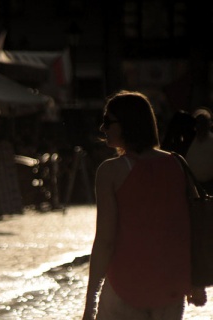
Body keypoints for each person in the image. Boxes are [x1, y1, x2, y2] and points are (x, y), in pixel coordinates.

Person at [82, 91, 207, 320]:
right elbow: (187, 229)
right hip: (171, 290)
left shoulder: (110, 171)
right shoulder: (178, 164)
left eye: (108, 121)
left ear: (128, 124)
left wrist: (90, 301)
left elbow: (106, 240)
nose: (103, 128)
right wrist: (196, 283)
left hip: (125, 288)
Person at [185, 108, 213, 194]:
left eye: (203, 123)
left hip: (210, 185)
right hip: (191, 185)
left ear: (209, 124)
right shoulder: (187, 141)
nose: (201, 126)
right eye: (198, 123)